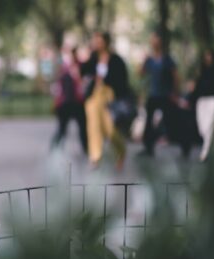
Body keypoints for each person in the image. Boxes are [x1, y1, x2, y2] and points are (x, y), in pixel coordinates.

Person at [81, 31, 129, 169]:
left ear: (106, 42)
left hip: (109, 98)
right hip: (94, 96)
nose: (97, 44)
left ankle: (121, 151)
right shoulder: (93, 58)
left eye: (99, 41)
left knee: (110, 129)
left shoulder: (116, 60)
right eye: (95, 41)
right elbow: (83, 71)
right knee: (93, 125)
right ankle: (95, 157)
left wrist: (105, 82)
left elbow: (122, 81)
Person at [138, 31, 179, 157]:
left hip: (165, 94)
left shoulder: (167, 59)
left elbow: (175, 76)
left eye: (156, 39)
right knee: (149, 121)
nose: (154, 42)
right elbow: (140, 73)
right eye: (152, 40)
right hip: (153, 94)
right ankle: (148, 148)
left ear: (160, 41)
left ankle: (183, 143)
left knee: (170, 119)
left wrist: (174, 93)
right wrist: (142, 60)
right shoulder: (149, 59)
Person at [190, 49, 214, 161]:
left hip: (213, 101)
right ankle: (212, 150)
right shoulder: (202, 73)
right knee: (202, 128)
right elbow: (197, 89)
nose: (207, 57)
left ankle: (205, 152)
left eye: (209, 55)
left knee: (209, 127)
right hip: (201, 102)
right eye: (206, 55)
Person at [51, 47, 87, 154]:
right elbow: (60, 87)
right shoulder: (65, 68)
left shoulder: (79, 67)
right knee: (63, 129)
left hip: (75, 103)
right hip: (67, 103)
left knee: (82, 129)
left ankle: (87, 150)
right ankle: (55, 150)